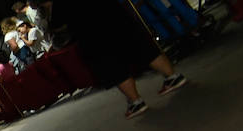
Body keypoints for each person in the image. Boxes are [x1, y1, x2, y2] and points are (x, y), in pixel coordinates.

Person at [55, 0, 186, 118]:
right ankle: (173, 76)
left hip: (92, 31)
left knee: (113, 65)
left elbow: (58, 21)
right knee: (141, 48)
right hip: (116, 14)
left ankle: (136, 102)